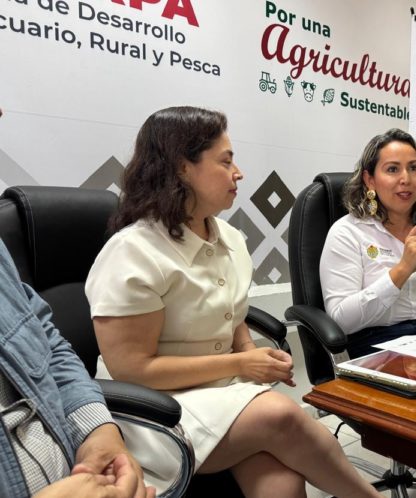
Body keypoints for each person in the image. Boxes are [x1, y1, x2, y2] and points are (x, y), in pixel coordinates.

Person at [84, 106, 380, 498]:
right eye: (225, 162)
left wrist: (249, 353)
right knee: (281, 415)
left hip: (221, 392)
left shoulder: (230, 239)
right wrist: (241, 363)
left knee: (282, 480)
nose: (238, 173)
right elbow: (133, 370)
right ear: (182, 168)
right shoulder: (134, 252)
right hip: (152, 411)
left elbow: (232, 313)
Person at [319, 128, 416, 498]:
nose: (406, 179)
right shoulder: (348, 233)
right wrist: (402, 268)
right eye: (392, 169)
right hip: (378, 349)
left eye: (413, 168)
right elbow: (340, 318)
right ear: (369, 180)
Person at [0, 241, 153, 498]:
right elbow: (136, 365)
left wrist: (99, 432)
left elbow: (46, 342)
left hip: (85, 472)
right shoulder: (131, 249)